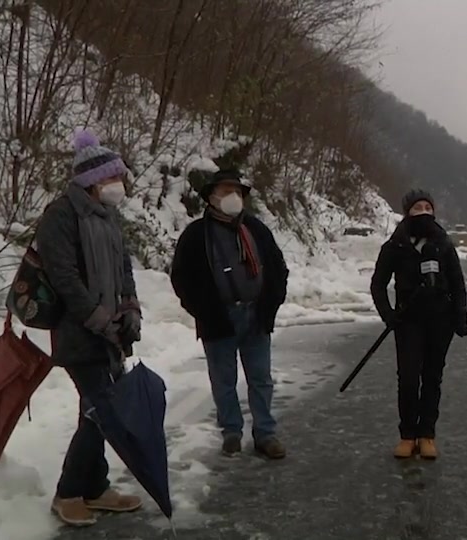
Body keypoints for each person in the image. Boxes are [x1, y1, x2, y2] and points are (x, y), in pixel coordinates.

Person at [37, 129, 143, 526]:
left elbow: (124, 267)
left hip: (111, 335)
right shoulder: (61, 215)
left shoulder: (109, 216)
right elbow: (63, 277)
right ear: (90, 181)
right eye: (110, 179)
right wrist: (98, 320)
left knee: (95, 410)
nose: (117, 186)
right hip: (79, 332)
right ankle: (67, 493)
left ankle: (95, 488)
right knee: (101, 410)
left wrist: (129, 308)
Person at [170, 169, 289, 459]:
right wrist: (203, 311)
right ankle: (231, 432)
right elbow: (181, 279)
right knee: (223, 380)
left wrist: (271, 303)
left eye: (236, 191)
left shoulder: (256, 229)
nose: (232, 197)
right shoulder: (196, 235)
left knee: (261, 378)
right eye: (225, 192)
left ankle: (265, 433)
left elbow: (277, 268)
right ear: (211, 197)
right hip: (218, 319)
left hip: (256, 316)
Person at [370, 189, 467, 460]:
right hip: (408, 322)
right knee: (409, 379)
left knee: (432, 378)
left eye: (428, 206)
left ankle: (427, 435)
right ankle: (407, 435)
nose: (424, 211)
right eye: (417, 207)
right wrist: (388, 314)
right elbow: (378, 284)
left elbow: (458, 284)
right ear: (407, 212)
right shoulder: (396, 245)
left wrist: (460, 317)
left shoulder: (444, 244)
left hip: (441, 321)